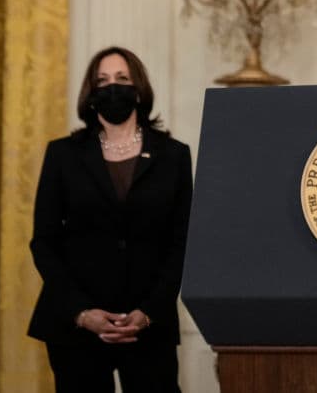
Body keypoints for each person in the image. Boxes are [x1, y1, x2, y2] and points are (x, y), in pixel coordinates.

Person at [28, 46, 193, 392]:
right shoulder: (62, 154)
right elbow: (44, 241)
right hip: (76, 328)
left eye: (121, 79)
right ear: (90, 92)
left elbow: (182, 243)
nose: (112, 87)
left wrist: (148, 312)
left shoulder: (174, 156)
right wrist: (81, 313)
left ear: (139, 88)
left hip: (148, 327)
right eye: (102, 81)